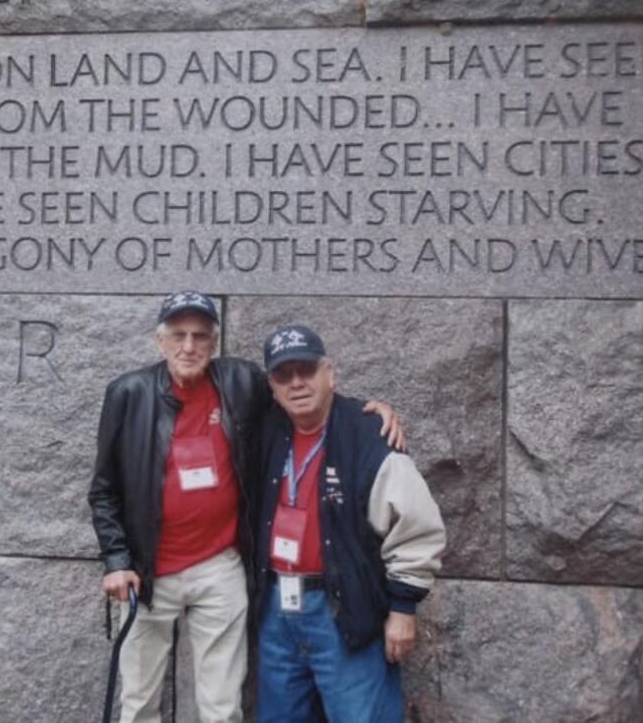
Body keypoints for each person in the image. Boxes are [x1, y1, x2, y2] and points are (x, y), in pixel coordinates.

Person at [88, 291, 406, 723]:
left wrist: (363, 413)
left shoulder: (241, 383)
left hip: (219, 567)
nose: (189, 346)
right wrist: (116, 560)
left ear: (214, 342)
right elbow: (104, 488)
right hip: (147, 573)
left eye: (200, 336)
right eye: (178, 335)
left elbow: (301, 395)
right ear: (158, 342)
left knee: (222, 707)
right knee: (139, 701)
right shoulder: (128, 394)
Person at [252, 323, 445, 722]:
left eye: (306, 370)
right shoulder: (265, 430)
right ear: (271, 387)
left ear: (330, 374)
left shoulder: (367, 433)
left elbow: (416, 526)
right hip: (276, 609)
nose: (297, 383)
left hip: (343, 609)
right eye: (283, 375)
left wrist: (403, 607)